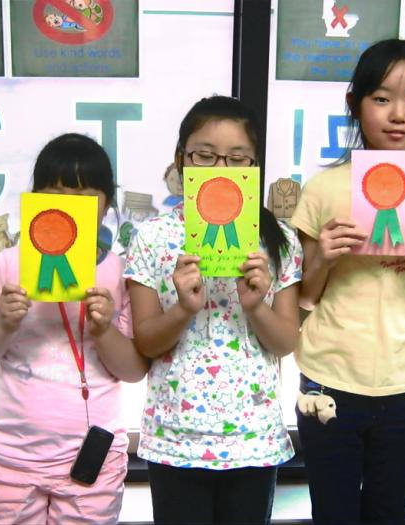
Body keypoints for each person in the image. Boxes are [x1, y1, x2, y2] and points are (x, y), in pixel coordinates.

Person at [291, 39, 405, 525]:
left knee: (389, 515)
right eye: (381, 98)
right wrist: (324, 259)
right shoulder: (323, 189)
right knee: (332, 514)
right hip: (327, 382)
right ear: (355, 104)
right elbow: (304, 299)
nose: (398, 114)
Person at [124, 95, 303, 525]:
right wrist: (183, 309)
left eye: (237, 159)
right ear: (181, 160)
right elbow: (146, 342)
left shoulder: (278, 239)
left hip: (253, 438)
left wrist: (256, 306)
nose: (220, 169)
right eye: (205, 155)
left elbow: (285, 342)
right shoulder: (151, 237)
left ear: (254, 167)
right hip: (174, 438)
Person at [0, 133, 148, 525]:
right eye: (57, 194)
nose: (69, 207)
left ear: (107, 205)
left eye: (84, 197)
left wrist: (104, 330)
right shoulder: (8, 264)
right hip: (11, 455)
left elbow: (133, 370)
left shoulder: (120, 272)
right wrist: (4, 324)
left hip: (94, 455)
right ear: (36, 200)